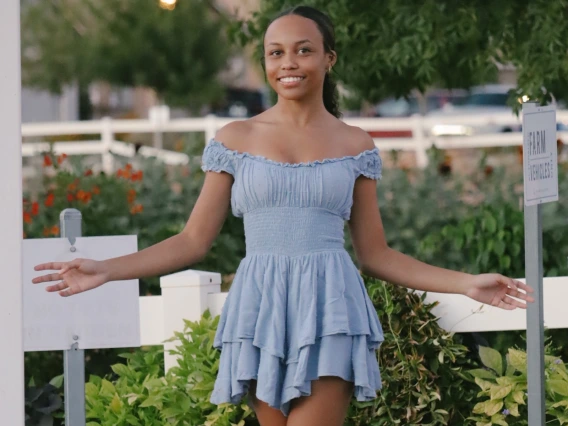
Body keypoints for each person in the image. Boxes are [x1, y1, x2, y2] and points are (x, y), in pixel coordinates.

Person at [32, 6, 535, 426]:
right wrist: (107, 268)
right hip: (261, 309)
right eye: (275, 52)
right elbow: (191, 241)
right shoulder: (235, 139)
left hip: (330, 307)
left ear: (328, 59)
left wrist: (465, 282)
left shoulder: (355, 145)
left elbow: (377, 255)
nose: (288, 62)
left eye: (303, 49)